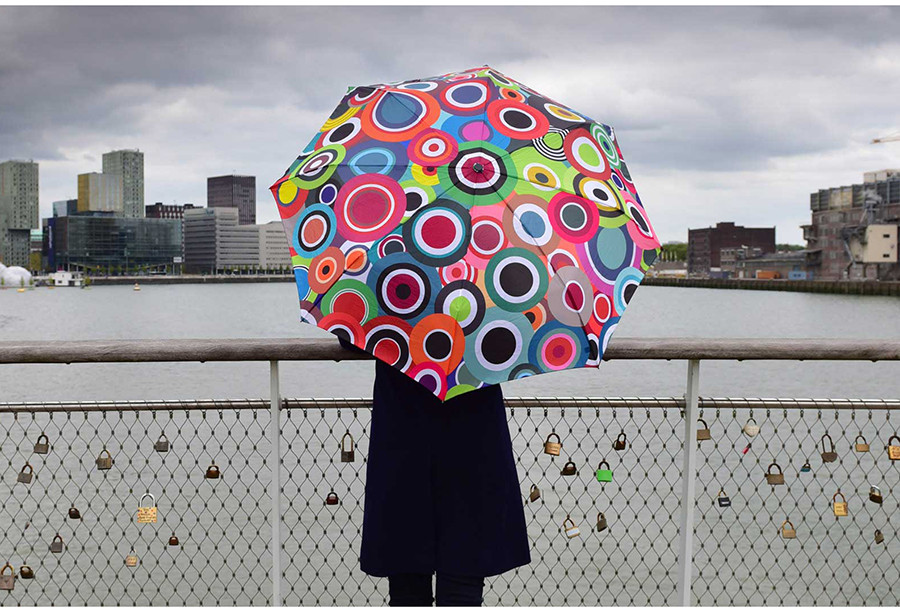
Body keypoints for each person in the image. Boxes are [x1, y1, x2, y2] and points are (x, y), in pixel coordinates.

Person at [340, 338, 531, 606]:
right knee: (464, 574)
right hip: (473, 437)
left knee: (406, 578)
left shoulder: (388, 311)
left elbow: (351, 337)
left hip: (403, 435)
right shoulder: (487, 312)